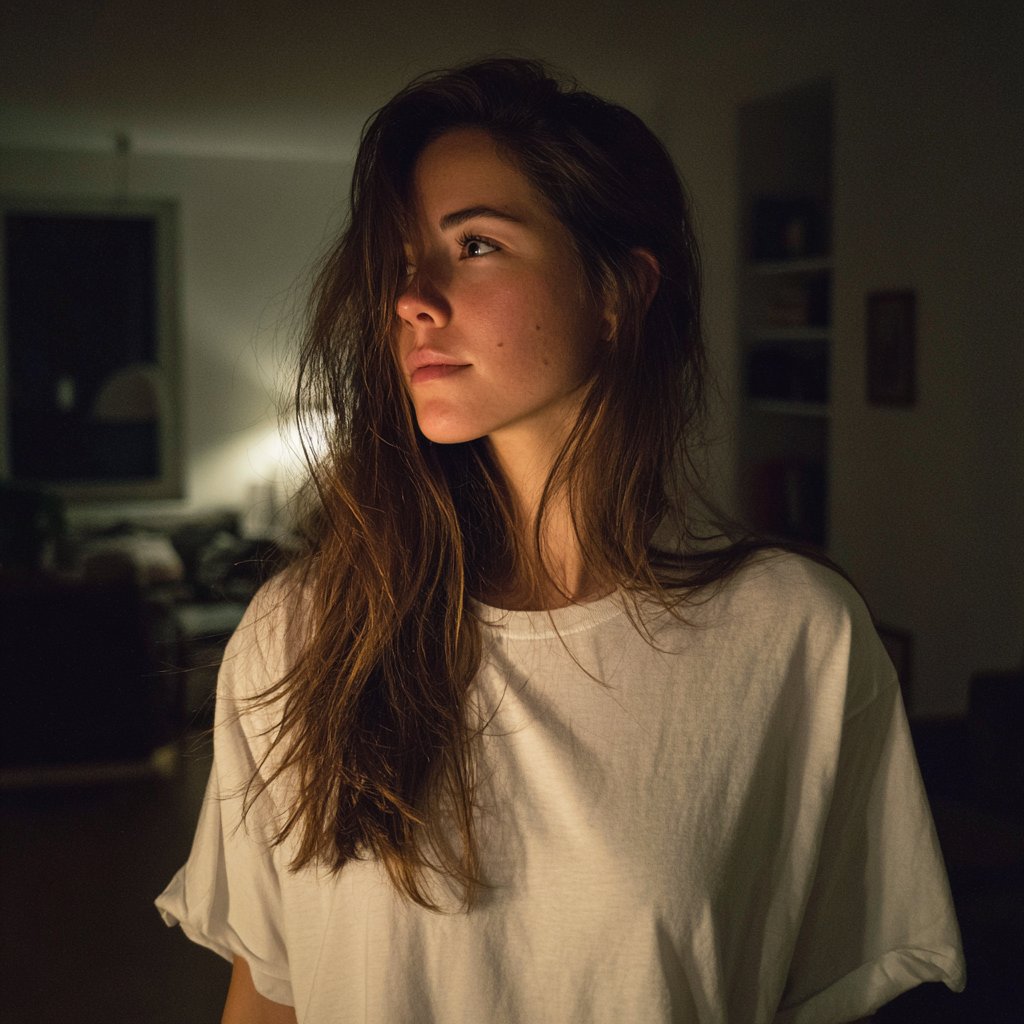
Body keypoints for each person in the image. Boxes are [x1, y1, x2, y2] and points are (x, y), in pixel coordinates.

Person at [157, 58, 965, 1023]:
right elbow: (266, 997)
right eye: (402, 259)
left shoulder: (796, 638)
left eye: (478, 244)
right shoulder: (304, 630)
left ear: (619, 291)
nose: (413, 296)